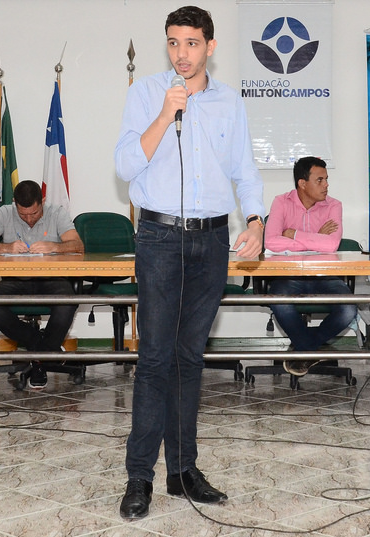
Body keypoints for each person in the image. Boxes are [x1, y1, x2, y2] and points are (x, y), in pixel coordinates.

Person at [113, 5, 264, 519]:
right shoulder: (146, 94)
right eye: (174, 43)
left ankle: (182, 471)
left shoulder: (230, 103)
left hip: (212, 241)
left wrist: (258, 221)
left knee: (189, 359)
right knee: (155, 358)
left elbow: (245, 171)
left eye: (191, 43)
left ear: (210, 47)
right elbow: (126, 164)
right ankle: (140, 477)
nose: (182, 54)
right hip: (158, 237)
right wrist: (163, 115)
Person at [0, 180, 84, 389]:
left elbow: (77, 246)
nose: (29, 219)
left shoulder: (56, 212)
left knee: (69, 301)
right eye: (23, 215)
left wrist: (55, 247)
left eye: (34, 213)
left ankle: (39, 359)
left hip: (52, 280)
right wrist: (6, 247)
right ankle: (42, 346)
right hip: (15, 280)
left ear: (42, 201)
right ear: (15, 204)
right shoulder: (5, 213)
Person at [265, 156, 357, 374]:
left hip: (325, 276)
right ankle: (310, 350)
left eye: (326, 180)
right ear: (302, 183)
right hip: (289, 277)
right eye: (320, 180)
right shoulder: (281, 202)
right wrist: (316, 238)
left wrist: (293, 234)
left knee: (348, 309)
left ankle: (303, 350)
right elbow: (270, 241)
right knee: (279, 302)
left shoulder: (333, 205)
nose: (326, 185)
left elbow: (332, 244)